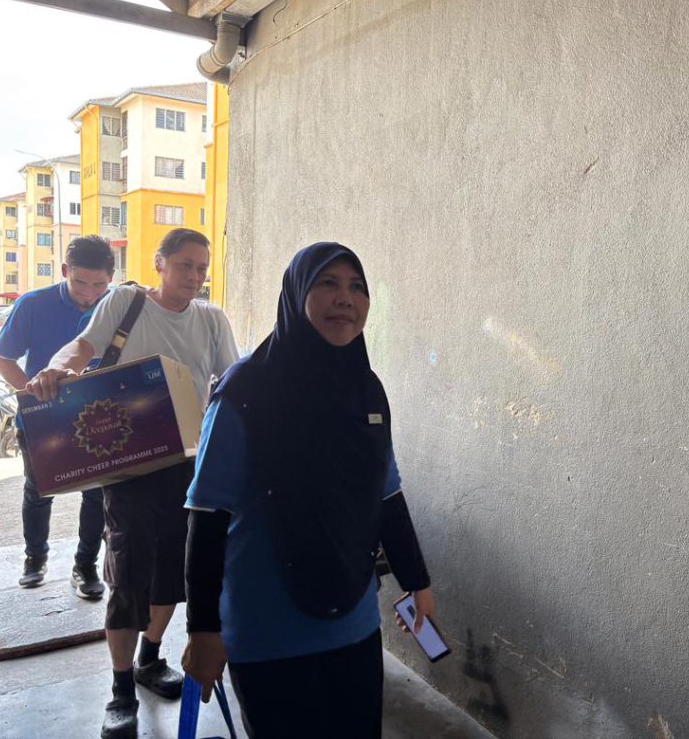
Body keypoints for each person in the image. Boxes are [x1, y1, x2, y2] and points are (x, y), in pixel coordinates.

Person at [181, 242, 437, 739]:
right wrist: (203, 629)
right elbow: (207, 516)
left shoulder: (367, 389)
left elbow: (387, 495)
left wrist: (417, 583)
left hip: (354, 625)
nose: (346, 298)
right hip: (267, 632)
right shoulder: (246, 391)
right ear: (297, 294)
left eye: (357, 287)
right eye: (328, 283)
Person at [25, 228, 239, 739]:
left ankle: (149, 658)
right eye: (185, 265)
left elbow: (233, 381)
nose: (195, 276)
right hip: (128, 466)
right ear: (160, 263)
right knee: (127, 576)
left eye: (202, 268)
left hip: (189, 467)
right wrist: (56, 369)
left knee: (173, 572)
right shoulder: (126, 302)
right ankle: (120, 690)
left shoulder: (212, 319)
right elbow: (82, 346)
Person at [0, 235, 116, 597]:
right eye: (80, 282)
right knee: (38, 491)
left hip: (97, 419)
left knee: (96, 495)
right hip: (41, 420)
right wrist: (34, 397)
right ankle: (35, 559)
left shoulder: (116, 307)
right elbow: (3, 359)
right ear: (64, 271)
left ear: (111, 279)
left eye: (99, 285)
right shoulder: (33, 304)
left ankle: (85, 566)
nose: (89, 294)